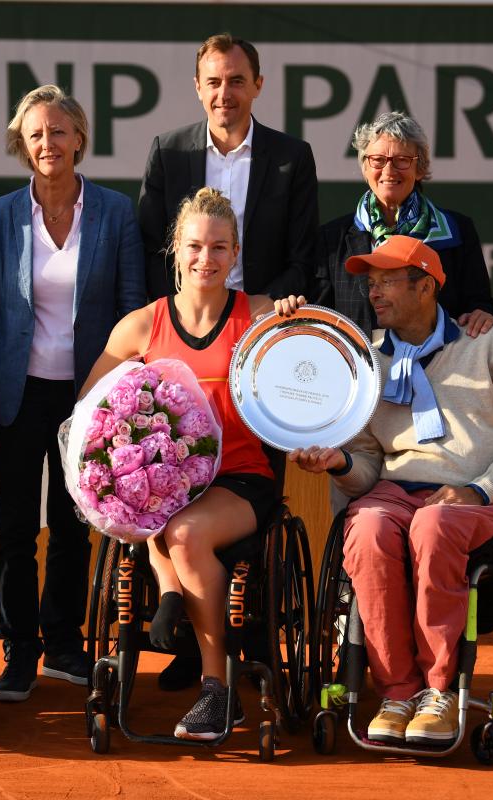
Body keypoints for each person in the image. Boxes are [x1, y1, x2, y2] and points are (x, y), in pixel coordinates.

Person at [290, 235, 493, 747]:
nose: (374, 293)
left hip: (471, 495)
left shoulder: (492, 345)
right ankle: (396, 692)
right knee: (364, 528)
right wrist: (342, 461)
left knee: (434, 526)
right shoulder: (368, 361)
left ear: (427, 286)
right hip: (391, 491)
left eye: (387, 281)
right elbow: (367, 462)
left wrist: (480, 491)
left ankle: (438, 692)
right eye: (370, 284)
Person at [82, 188, 298, 741]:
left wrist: (297, 324)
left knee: (180, 529)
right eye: (195, 246)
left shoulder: (260, 316)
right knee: (156, 510)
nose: (207, 259)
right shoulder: (141, 326)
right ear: (174, 250)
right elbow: (90, 412)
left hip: (241, 479)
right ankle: (171, 591)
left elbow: (311, 378)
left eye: (220, 248)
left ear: (236, 253)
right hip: (165, 482)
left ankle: (217, 688)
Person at [0, 85, 145, 702]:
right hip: (15, 396)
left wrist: (117, 395)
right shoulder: (0, 215)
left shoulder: (116, 213)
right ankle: (17, 650)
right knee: (13, 527)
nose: (48, 143)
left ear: (79, 139)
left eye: (58, 131)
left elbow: (131, 309)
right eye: (35, 133)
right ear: (21, 144)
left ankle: (63, 645)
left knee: (72, 526)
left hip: (89, 398)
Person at [138, 33, 318, 301]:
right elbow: (150, 251)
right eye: (213, 82)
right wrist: (182, 311)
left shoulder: (293, 157)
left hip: (262, 322)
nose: (224, 94)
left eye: (236, 81)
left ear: (258, 85)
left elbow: (304, 258)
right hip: (184, 322)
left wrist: (261, 305)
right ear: (198, 87)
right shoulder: (167, 152)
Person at [313, 111, 493, 337]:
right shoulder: (332, 238)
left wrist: (483, 314)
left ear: (419, 169)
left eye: (402, 160)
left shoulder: (457, 230)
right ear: (365, 167)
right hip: (365, 368)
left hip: (440, 367)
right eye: (378, 160)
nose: (389, 171)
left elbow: (480, 305)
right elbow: (318, 317)